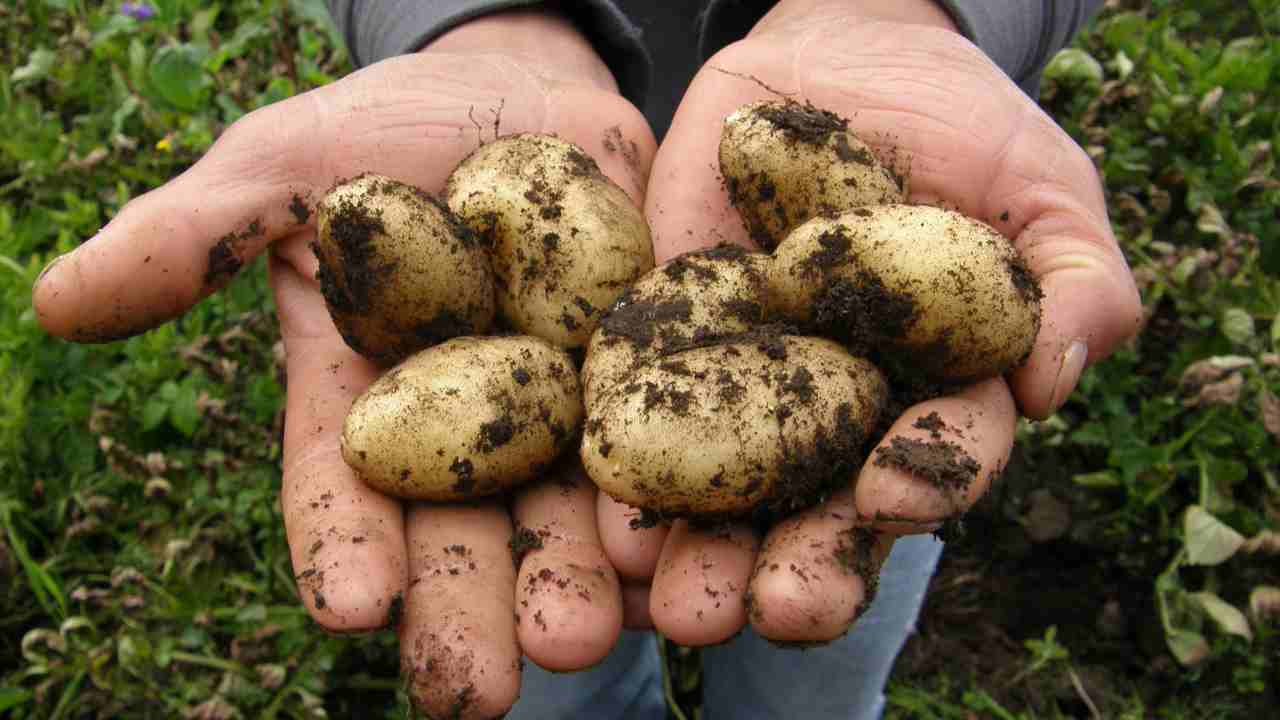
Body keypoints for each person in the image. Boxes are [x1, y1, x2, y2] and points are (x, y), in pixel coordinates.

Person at [32, 1, 1141, 717]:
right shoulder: (576, 331)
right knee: (555, 650)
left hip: (852, 276)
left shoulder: (800, 284)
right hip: (556, 167)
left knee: (826, 618)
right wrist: (478, 26)